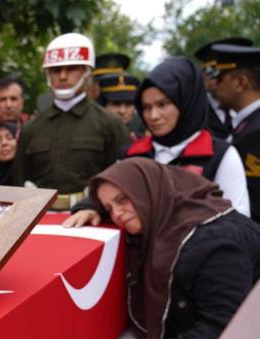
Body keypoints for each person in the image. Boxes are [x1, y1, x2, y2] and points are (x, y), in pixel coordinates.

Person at [92, 158, 260, 339]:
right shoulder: (166, 222)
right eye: (109, 208)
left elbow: (225, 331)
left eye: (122, 200)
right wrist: (89, 210)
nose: (117, 214)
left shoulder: (217, 243)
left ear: (149, 191)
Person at [64, 57, 251, 227]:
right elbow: (105, 194)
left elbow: (239, 222)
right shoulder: (133, 153)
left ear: (186, 102)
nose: (153, 116)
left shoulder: (220, 155)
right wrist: (91, 208)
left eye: (163, 104)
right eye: (146, 107)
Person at [12, 33, 129, 211]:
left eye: (72, 68)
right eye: (56, 70)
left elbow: (124, 181)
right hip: (39, 218)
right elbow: (19, 182)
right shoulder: (31, 128)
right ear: (48, 74)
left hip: (92, 216)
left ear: (87, 72)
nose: (63, 76)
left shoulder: (110, 124)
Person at [211, 43, 260, 223]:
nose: (215, 85)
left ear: (241, 82)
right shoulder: (247, 124)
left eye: (220, 78)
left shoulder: (255, 131)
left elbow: (255, 201)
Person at [194, 37, 254, 140]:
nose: (214, 80)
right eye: (210, 72)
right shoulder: (194, 112)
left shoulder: (248, 106)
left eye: (217, 73)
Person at [97, 73, 145, 138]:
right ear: (103, 105)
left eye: (128, 105)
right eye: (116, 104)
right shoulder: (90, 131)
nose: (122, 111)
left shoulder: (145, 128)